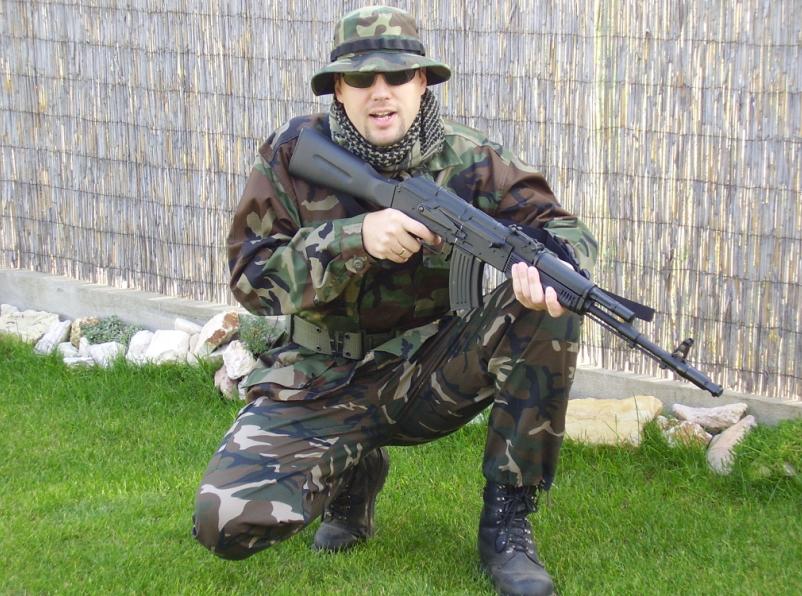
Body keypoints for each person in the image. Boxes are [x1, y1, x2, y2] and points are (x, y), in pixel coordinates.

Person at [193, 6, 597, 596]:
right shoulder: (294, 154)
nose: (380, 93)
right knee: (225, 522)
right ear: (338, 88)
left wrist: (555, 267)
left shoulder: (470, 158)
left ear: (422, 81)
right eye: (362, 78)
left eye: (398, 76)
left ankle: (507, 522)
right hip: (319, 376)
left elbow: (564, 230)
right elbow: (251, 280)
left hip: (427, 372)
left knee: (548, 305)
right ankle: (351, 478)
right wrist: (353, 239)